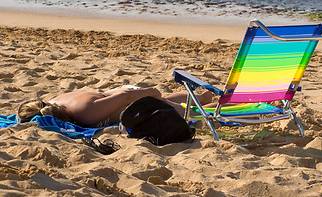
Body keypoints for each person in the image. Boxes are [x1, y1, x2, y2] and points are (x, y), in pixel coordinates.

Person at [17, 86, 212, 128]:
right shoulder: (56, 98)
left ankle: (216, 103)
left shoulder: (85, 114)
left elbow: (125, 98)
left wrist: (151, 92)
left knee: (188, 114)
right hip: (120, 93)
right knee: (169, 101)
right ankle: (204, 98)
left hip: (131, 99)